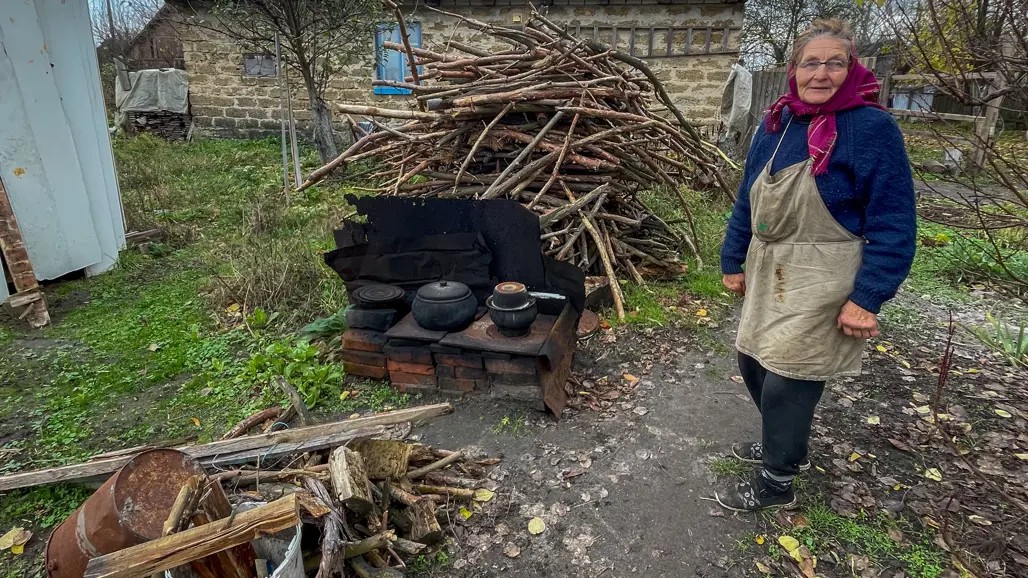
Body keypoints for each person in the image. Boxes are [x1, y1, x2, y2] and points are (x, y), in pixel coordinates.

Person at [715, 18, 917, 512]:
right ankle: (785, 443)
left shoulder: (871, 129)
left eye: (834, 62)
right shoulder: (779, 124)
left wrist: (868, 297)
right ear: (793, 70)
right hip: (770, 266)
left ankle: (777, 481)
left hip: (825, 272)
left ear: (851, 70)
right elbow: (749, 199)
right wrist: (732, 257)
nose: (821, 73)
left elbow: (894, 220)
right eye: (811, 62)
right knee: (753, 359)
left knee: (791, 375)